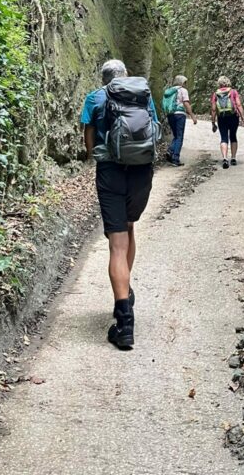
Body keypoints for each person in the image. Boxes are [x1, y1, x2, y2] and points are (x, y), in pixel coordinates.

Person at [81, 58, 159, 350]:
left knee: (117, 243)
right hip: (141, 170)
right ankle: (125, 287)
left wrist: (94, 155)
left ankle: (125, 322)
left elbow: (89, 137)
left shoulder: (94, 97)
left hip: (111, 171)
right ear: (125, 76)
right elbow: (152, 127)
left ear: (104, 78)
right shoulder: (142, 95)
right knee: (129, 228)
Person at [210, 76, 244, 169]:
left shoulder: (216, 94)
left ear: (219, 84)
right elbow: (238, 104)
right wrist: (243, 118)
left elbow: (213, 109)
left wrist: (213, 122)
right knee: (233, 136)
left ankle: (225, 158)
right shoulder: (233, 92)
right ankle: (233, 158)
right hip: (233, 116)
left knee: (223, 137)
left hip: (222, 117)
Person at [162, 74, 197, 166]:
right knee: (179, 136)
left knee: (176, 135)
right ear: (182, 82)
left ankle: (170, 151)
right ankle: (175, 158)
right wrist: (192, 116)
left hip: (170, 115)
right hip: (180, 115)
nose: (185, 84)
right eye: (185, 82)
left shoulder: (170, 91)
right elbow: (186, 103)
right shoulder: (182, 90)